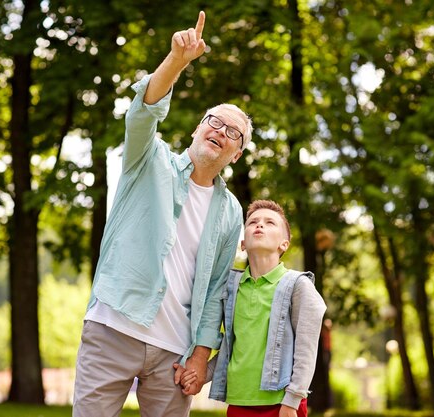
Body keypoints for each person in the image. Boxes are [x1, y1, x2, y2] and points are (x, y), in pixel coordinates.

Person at [72, 10, 253, 417]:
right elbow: (143, 112)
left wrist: (200, 355)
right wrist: (178, 60)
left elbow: (215, 293)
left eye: (233, 132)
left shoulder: (230, 212)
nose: (220, 131)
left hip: (173, 351)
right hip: (113, 330)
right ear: (195, 129)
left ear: (236, 154)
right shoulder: (148, 159)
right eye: (214, 122)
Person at [176, 200, 327, 417]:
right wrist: (199, 375)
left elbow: (306, 350)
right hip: (239, 402)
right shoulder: (231, 288)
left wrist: (293, 399)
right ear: (243, 244)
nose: (259, 225)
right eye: (253, 222)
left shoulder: (298, 286)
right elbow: (231, 349)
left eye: (270, 223)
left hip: (281, 403)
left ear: (284, 244)